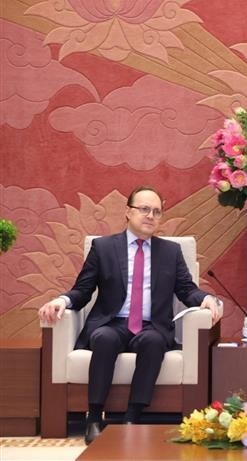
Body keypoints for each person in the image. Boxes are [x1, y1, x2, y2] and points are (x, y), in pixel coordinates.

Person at [38, 186, 222, 445]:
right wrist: (61, 301)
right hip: (112, 322)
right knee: (103, 338)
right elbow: (83, 289)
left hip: (151, 325)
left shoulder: (170, 252)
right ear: (128, 212)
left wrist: (204, 299)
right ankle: (93, 416)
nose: (151, 216)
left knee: (154, 342)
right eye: (144, 209)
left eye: (157, 212)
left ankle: (132, 417)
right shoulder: (102, 248)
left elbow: (186, 288)